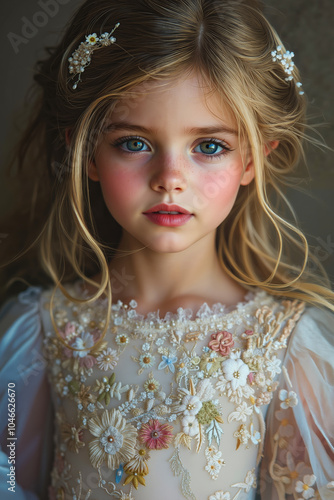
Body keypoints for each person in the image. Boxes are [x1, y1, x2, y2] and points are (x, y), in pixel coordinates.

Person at [0, 0, 333, 498]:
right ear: (85, 151)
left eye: (209, 146)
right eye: (134, 143)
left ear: (253, 161)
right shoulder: (38, 332)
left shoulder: (288, 348)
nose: (169, 180)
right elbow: (10, 482)